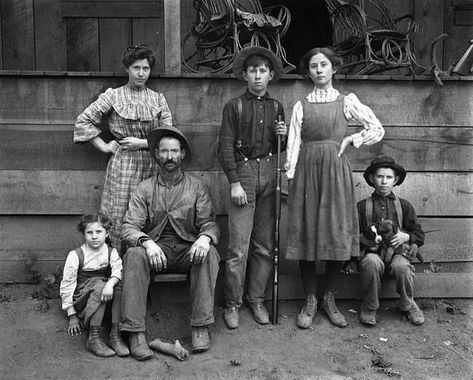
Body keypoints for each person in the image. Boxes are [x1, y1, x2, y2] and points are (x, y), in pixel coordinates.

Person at [285, 47, 384, 329]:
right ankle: (310, 300)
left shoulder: (346, 101)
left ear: (333, 69)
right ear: (308, 72)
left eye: (324, 65)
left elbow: (376, 128)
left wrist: (352, 140)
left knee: (335, 231)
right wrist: (291, 177)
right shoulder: (301, 105)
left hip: (335, 173)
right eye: (314, 66)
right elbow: (293, 144)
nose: (319, 70)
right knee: (306, 232)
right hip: (306, 173)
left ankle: (329, 298)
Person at [119, 126, 220, 360]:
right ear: (156, 154)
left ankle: (200, 326)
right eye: (164, 151)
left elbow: (210, 224)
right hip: (156, 251)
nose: (169, 157)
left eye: (174, 151)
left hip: (187, 251)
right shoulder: (145, 188)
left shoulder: (196, 187)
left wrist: (204, 238)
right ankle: (135, 333)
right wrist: (146, 242)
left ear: (182, 154)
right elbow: (128, 226)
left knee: (211, 253)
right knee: (134, 255)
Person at [74, 44, 173, 254]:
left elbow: (168, 135)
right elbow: (84, 122)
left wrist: (144, 143)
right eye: (136, 68)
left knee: (149, 212)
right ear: (127, 68)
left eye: (145, 69)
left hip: (152, 166)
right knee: (119, 215)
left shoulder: (158, 99)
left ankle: (146, 266)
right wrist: (104, 146)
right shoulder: (114, 96)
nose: (140, 73)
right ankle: (116, 270)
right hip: (123, 166)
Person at [218, 46, 287, 329]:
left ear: (270, 75)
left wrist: (284, 134)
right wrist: (234, 182)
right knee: (237, 247)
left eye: (263, 71)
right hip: (243, 176)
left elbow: (282, 147)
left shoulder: (276, 107)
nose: (258, 76)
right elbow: (224, 147)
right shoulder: (234, 106)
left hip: (271, 175)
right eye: (252, 71)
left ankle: (256, 299)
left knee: (265, 245)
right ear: (245, 75)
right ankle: (232, 303)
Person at [357, 155, 425, 326]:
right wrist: (366, 240)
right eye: (380, 177)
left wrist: (406, 236)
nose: (384, 182)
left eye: (389, 177)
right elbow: (352, 235)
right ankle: (370, 305)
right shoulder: (362, 206)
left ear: (396, 180)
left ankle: (408, 304)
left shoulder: (404, 206)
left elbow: (419, 234)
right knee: (371, 262)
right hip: (373, 254)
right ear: (372, 179)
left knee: (402, 266)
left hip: (397, 254)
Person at [60, 213, 129, 357]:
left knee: (118, 287)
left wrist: (110, 284)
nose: (94, 236)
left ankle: (115, 335)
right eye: (89, 232)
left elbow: (118, 270)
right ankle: (94, 337)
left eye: (99, 231)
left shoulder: (111, 252)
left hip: (103, 292)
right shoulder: (76, 255)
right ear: (84, 234)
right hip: (83, 298)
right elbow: (67, 285)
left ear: (107, 233)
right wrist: (71, 315)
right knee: (100, 287)